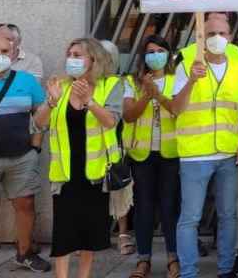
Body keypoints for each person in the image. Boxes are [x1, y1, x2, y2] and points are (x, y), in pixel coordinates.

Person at [166, 16, 238, 278]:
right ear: (201, 37)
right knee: (190, 218)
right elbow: (175, 108)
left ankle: (225, 270)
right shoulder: (186, 62)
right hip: (195, 154)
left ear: (231, 36)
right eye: (211, 32)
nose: (217, 37)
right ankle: (188, 272)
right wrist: (191, 80)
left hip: (228, 151)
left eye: (222, 32)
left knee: (228, 215)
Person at [35, 38, 124, 278]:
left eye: (78, 55)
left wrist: (89, 102)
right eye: (69, 54)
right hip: (64, 173)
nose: (71, 60)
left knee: (89, 235)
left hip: (95, 173)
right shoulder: (60, 86)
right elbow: (39, 123)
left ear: (93, 60)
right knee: (63, 234)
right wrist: (51, 101)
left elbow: (111, 122)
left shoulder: (111, 85)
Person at [123, 36, 182, 278]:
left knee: (170, 207)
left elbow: (178, 109)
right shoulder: (131, 82)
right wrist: (146, 94)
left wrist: (157, 94)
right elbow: (128, 116)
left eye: (160, 50)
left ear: (168, 54)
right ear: (143, 56)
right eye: (150, 51)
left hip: (171, 153)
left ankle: (173, 259)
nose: (155, 55)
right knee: (144, 207)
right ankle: (143, 260)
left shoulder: (177, 79)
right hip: (142, 154)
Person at [0, 35, 51, 271]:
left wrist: (36, 146)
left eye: (4, 51)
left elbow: (41, 115)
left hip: (22, 157)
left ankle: (24, 253)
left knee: (25, 204)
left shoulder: (27, 81)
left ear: (14, 52)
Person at [100, 40, 135, 257]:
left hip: (117, 144)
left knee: (120, 191)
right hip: (91, 147)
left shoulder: (124, 83)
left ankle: (123, 235)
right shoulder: (86, 83)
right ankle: (94, 236)